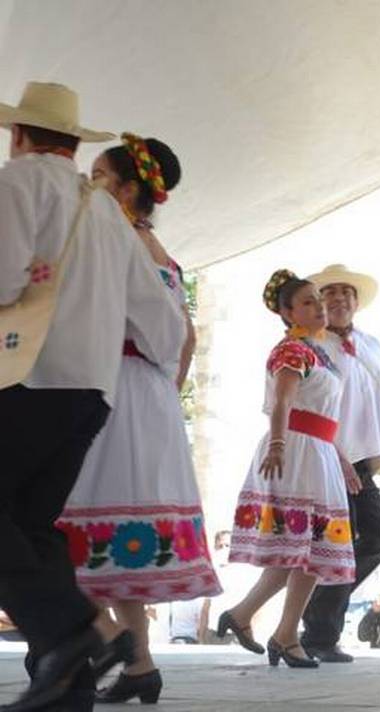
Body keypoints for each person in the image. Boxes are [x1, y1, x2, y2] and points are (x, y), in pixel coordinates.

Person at [0, 81, 186, 711]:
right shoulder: (104, 211)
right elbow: (162, 322)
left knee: (19, 522)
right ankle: (70, 679)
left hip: (26, 379)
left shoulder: (16, 183)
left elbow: (1, 278)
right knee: (31, 526)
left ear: (19, 136)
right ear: (75, 145)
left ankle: (73, 633)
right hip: (93, 395)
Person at [54, 133, 221, 705]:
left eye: (99, 174)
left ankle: (104, 641)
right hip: (146, 396)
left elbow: (164, 331)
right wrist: (164, 396)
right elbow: (186, 336)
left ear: (126, 188)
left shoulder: (116, 238)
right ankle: (139, 665)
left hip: (113, 388)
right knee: (117, 535)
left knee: (68, 526)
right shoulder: (158, 249)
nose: (89, 182)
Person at [218, 270, 356, 669]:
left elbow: (325, 416)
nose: (319, 307)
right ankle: (281, 632)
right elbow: (283, 401)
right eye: (309, 302)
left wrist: (342, 459)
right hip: (297, 449)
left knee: (306, 549)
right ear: (287, 312)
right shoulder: (292, 350)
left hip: (319, 451)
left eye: (318, 300)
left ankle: (261, 623)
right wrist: (278, 444)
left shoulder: (320, 352)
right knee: (301, 547)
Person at [299, 263, 380, 663]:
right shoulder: (313, 346)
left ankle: (316, 612)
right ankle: (319, 634)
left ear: (356, 302)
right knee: (338, 546)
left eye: (346, 293)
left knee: (378, 538)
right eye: (330, 293)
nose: (339, 299)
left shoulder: (371, 344)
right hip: (331, 457)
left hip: (363, 458)